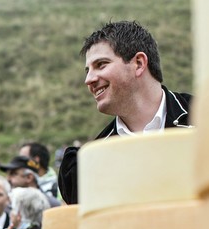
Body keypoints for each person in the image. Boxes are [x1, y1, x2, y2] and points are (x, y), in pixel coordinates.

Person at [58, 20, 192, 204]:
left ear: (138, 63)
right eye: (87, 70)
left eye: (101, 64)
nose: (88, 80)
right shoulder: (87, 165)